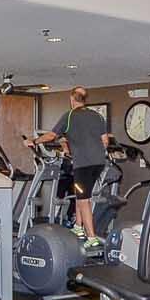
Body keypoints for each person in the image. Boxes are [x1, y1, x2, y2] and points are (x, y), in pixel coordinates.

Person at [28, 86, 112, 248]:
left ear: (72, 99)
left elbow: (52, 136)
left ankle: (91, 237)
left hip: (83, 164)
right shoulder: (97, 116)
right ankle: (78, 227)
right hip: (98, 163)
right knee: (82, 193)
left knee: (83, 199)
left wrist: (34, 141)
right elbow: (105, 141)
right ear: (84, 99)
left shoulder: (69, 116)